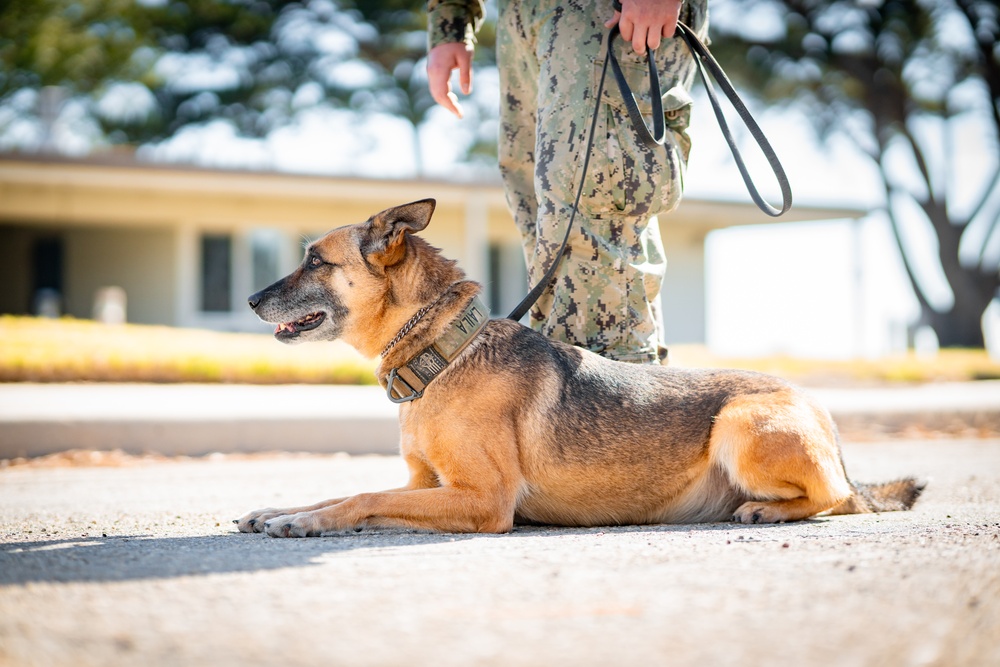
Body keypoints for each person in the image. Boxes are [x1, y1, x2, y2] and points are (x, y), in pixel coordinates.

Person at [426, 0, 708, 364]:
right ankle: (577, 400)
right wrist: (450, 23)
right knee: (544, 223)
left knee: (596, 207)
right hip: (521, 18)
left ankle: (609, 407)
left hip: (604, 11)